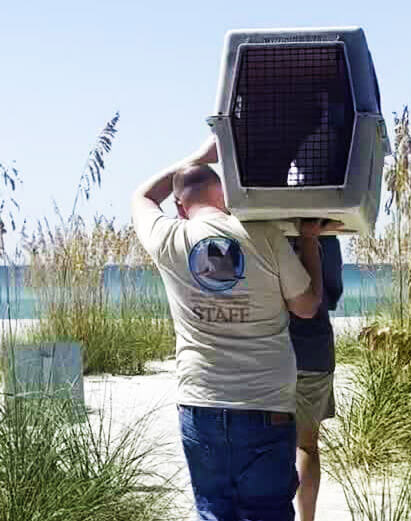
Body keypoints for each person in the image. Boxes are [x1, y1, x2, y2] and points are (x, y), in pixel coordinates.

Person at [131, 136, 329, 521]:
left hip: (201, 403)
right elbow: (306, 307)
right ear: (224, 196)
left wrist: (200, 155)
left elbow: (140, 196)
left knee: (213, 511)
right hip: (265, 404)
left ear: (178, 205)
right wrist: (308, 243)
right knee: (267, 511)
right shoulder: (263, 235)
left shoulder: (169, 239)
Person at [289, 233, 343, 521]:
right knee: (306, 444)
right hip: (313, 348)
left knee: (262, 442)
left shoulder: (258, 226)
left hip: (265, 349)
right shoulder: (327, 235)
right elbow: (331, 293)